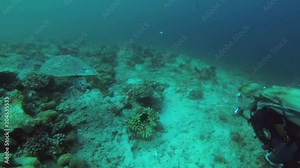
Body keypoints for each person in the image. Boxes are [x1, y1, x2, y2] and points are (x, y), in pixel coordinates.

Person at [234, 83, 300, 167]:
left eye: (240, 97)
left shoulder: (259, 117)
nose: (236, 100)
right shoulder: (269, 105)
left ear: (250, 99)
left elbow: (282, 147)